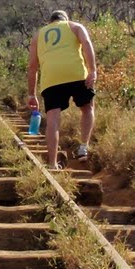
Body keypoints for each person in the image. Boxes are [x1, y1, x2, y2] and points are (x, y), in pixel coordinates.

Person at [26, 9, 96, 170]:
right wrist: (92, 70)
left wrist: (32, 94)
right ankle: (83, 146)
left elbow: (32, 67)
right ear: (65, 19)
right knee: (87, 108)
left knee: (53, 120)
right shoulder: (75, 26)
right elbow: (86, 43)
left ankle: (52, 163)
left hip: (51, 79)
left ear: (50, 22)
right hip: (76, 73)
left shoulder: (38, 36)